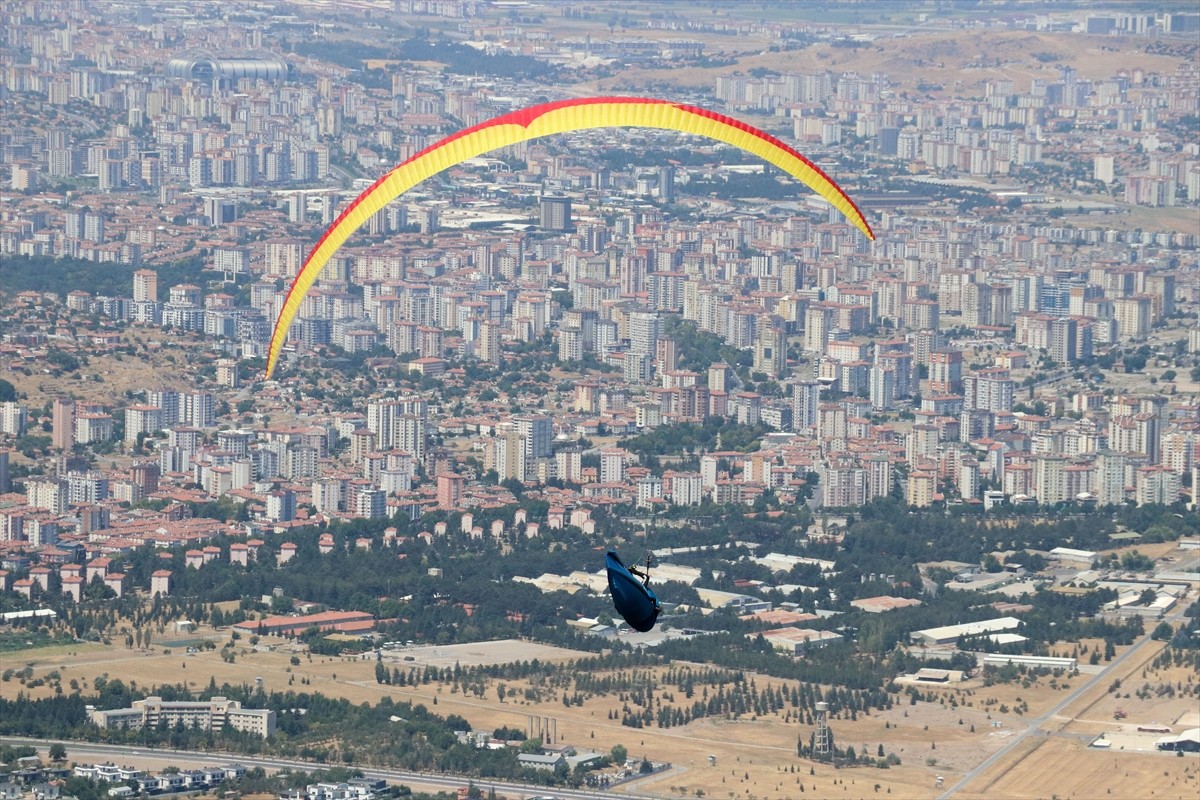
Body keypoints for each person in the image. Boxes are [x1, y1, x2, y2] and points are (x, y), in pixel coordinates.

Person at [605, 551, 662, 632]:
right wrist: (634, 572)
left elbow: (646, 578)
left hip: (645, 621)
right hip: (639, 621)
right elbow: (646, 578)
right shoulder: (643, 589)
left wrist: (634, 572)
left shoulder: (644, 589)